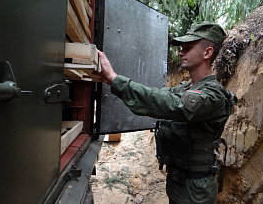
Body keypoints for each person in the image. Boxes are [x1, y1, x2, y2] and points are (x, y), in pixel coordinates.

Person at [96, 22, 236, 204]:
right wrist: (112, 81)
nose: (180, 52)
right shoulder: (186, 88)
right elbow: (156, 97)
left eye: (187, 47)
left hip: (196, 190)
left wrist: (115, 79)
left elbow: (174, 105)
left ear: (207, 53)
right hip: (177, 183)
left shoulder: (213, 94)